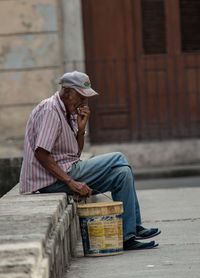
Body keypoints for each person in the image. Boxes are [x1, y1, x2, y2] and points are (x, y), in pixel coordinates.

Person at [19, 70, 161, 250]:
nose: (85, 103)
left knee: (122, 174)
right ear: (68, 92)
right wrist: (71, 182)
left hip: (66, 170)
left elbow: (75, 154)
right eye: (81, 97)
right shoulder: (50, 110)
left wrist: (81, 129)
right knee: (118, 157)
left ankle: (129, 234)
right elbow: (41, 153)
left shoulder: (67, 112)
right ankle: (135, 227)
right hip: (51, 180)